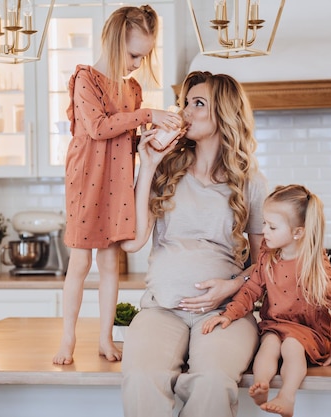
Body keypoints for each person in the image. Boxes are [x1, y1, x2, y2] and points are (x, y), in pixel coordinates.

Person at [120, 70, 268, 417]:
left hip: (225, 312)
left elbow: (266, 266)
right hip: (161, 308)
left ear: (224, 113)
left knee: (213, 381)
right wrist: (149, 164)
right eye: (185, 102)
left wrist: (231, 287)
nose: (185, 111)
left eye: (198, 103)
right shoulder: (165, 169)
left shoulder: (251, 182)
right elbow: (133, 243)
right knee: (142, 378)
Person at [52, 5, 183, 365]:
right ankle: (67, 340)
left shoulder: (134, 90)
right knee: (79, 264)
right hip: (86, 183)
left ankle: (106, 339)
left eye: (144, 56)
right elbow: (98, 128)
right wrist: (147, 115)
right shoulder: (85, 79)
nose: (138, 63)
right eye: (134, 54)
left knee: (110, 265)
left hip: (118, 183)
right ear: (113, 42)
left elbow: (127, 134)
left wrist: (153, 135)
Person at [202, 184, 331, 417]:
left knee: (291, 346)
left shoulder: (314, 263)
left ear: (297, 232)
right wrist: (228, 314)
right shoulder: (268, 258)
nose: (264, 231)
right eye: (265, 223)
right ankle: (261, 385)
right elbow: (250, 290)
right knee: (268, 346)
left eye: (272, 226)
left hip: (308, 331)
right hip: (276, 325)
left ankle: (287, 397)